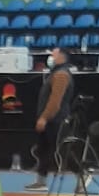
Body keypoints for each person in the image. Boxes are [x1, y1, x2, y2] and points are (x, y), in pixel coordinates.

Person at [34, 43, 75, 179]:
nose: (51, 57)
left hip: (56, 119)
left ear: (61, 57)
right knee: (43, 150)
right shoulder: (55, 73)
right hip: (52, 119)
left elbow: (55, 100)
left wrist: (44, 117)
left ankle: (82, 174)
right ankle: (41, 180)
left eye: (53, 55)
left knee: (62, 151)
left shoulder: (61, 75)